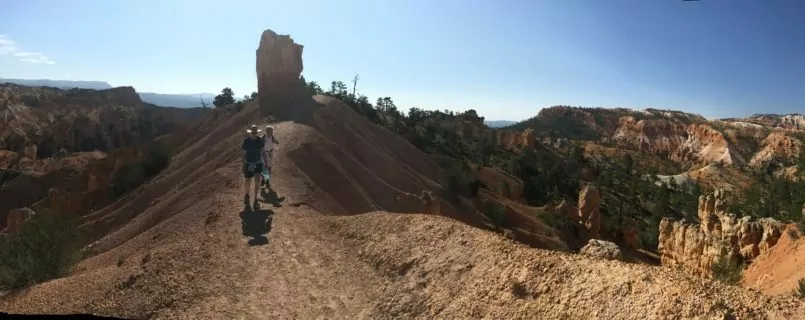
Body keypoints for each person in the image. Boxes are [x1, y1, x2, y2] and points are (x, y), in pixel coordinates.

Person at [242, 125, 265, 209]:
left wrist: (265, 162)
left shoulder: (260, 140)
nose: (254, 133)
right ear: (251, 133)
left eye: (255, 132)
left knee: (257, 181)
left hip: (258, 162)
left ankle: (255, 199)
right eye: (253, 132)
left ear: (257, 132)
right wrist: (243, 165)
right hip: (248, 162)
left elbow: (263, 151)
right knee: (248, 180)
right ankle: (247, 195)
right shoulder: (246, 141)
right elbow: (244, 154)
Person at [262, 125, 280, 191]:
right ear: (266, 131)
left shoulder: (272, 137)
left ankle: (265, 180)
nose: (271, 132)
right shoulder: (263, 138)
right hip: (264, 154)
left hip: (270, 154)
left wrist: (276, 141)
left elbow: (277, 142)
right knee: (265, 167)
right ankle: (266, 182)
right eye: (269, 131)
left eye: (272, 131)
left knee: (269, 169)